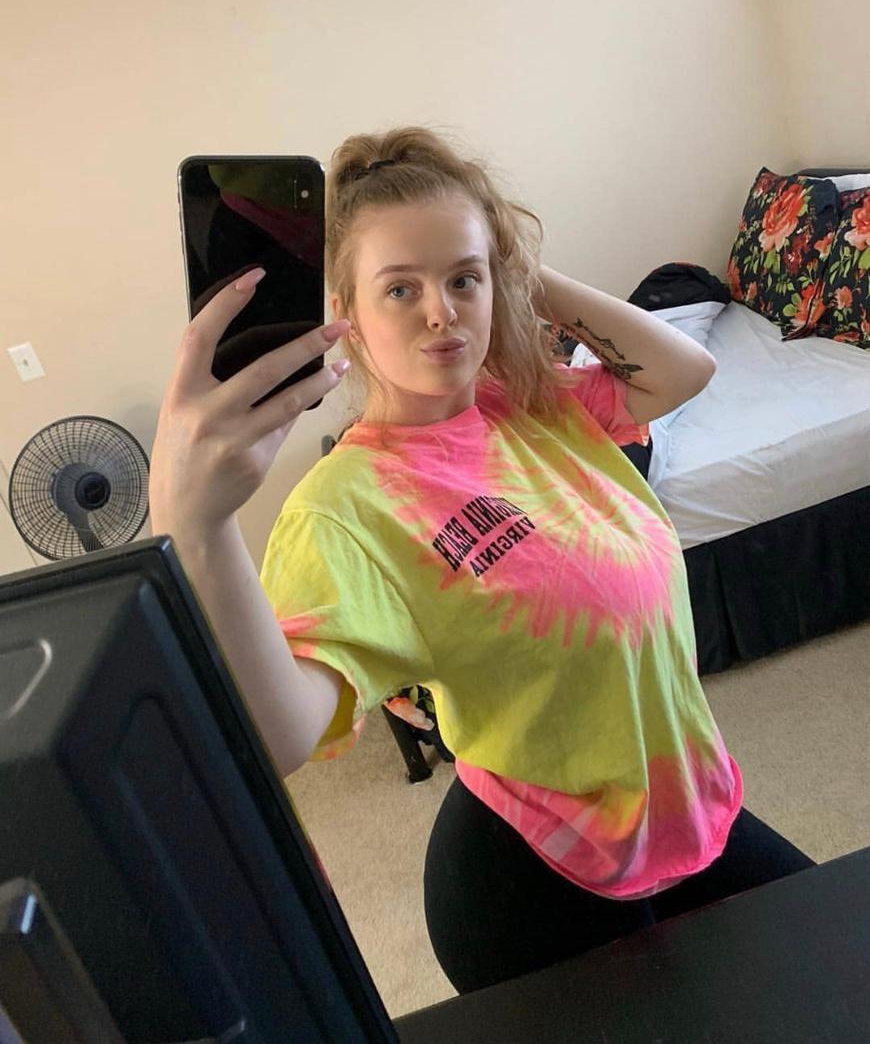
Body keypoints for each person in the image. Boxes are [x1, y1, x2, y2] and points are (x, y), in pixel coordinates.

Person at [149, 125, 816, 996]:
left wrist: (517, 273)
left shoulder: (533, 405)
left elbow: (684, 370)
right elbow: (280, 736)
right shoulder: (346, 507)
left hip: (687, 808)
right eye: (401, 288)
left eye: (463, 279)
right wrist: (198, 529)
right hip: (534, 876)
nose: (441, 311)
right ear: (344, 312)